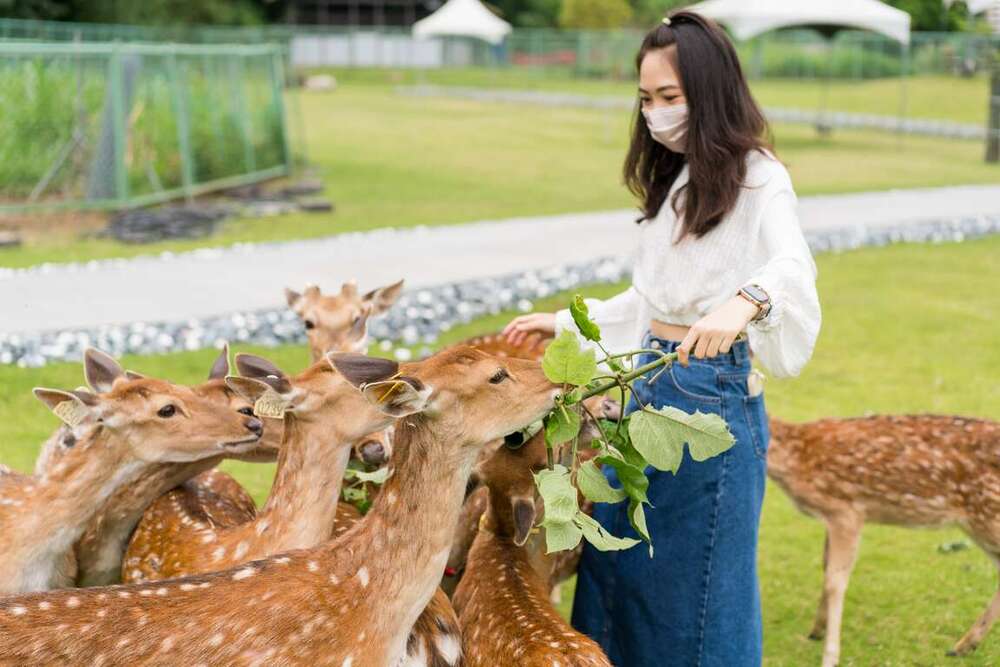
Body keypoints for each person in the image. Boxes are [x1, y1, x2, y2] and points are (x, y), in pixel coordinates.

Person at [503, 11, 821, 666]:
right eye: (646, 98)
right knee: (621, 570)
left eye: (669, 97)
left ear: (710, 92)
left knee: (697, 591)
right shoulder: (676, 181)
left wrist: (746, 300)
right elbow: (655, 298)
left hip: (712, 390)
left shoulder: (760, 177)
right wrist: (566, 323)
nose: (655, 112)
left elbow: (790, 266)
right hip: (646, 378)